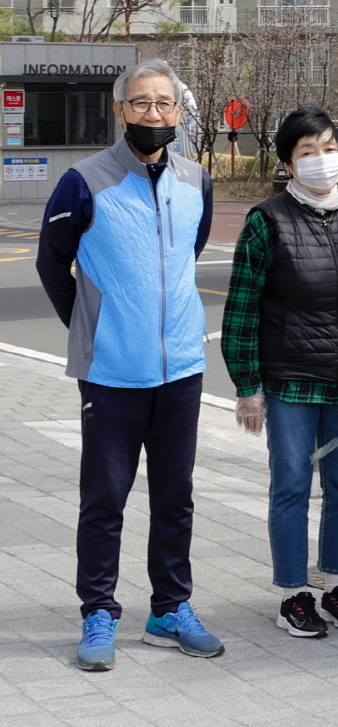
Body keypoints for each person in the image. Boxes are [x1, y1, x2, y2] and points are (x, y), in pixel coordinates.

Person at [37, 59, 224, 671]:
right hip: (112, 375)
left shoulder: (196, 180)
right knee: (105, 497)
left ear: (178, 112)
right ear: (120, 112)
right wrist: (92, 330)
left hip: (181, 372)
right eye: (140, 103)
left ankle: (170, 609)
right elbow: (51, 263)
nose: (152, 113)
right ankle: (98, 610)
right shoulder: (84, 181)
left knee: (176, 497)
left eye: (163, 104)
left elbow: (185, 256)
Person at [221, 107, 338, 639]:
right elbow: (241, 308)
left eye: (328, 148)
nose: (321, 160)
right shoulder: (267, 221)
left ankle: (336, 585)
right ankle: (293, 593)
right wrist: (248, 386)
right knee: (290, 485)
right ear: (289, 164)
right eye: (307, 152)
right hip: (289, 383)